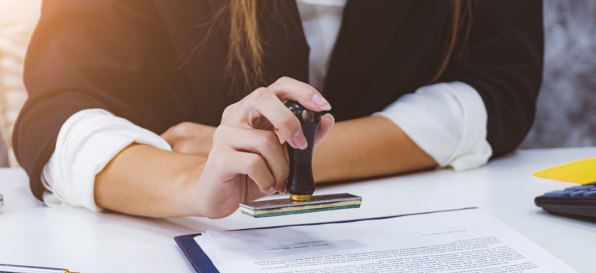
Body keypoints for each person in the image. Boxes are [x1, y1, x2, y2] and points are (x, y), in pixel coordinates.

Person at [13, 0, 543, 219]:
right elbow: (54, 116)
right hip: (178, 248)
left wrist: (298, 159)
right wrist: (191, 182)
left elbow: (501, 88)